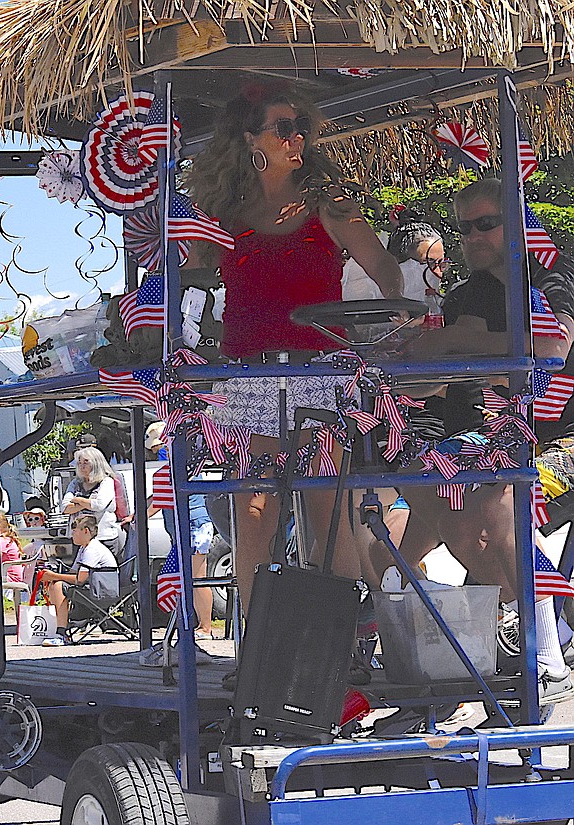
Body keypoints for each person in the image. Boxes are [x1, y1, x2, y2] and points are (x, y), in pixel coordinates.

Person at [187, 84, 403, 610]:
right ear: (250, 139)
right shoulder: (221, 216)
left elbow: (389, 275)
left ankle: (347, 644)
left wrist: (384, 328)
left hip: (319, 371)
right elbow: (189, 282)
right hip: (251, 376)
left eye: (299, 126)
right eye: (283, 127)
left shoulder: (330, 208)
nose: (296, 137)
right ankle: (261, 646)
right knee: (253, 510)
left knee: (327, 507)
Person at [394, 178, 574, 703]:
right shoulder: (464, 295)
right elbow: (439, 376)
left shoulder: (554, 277)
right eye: (464, 227)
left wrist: (460, 342)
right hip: (490, 440)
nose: (472, 237)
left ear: (516, 226)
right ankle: (419, 612)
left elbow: (553, 347)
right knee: (419, 481)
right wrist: (399, 361)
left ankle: (542, 649)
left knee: (498, 499)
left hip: (562, 443)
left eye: (485, 225)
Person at [145, 421, 215, 638]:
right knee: (190, 576)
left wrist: (140, 516)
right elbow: (158, 495)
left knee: (195, 577)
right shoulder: (182, 462)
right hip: (189, 524)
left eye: (159, 448)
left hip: (194, 523)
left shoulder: (178, 465)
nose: (158, 453)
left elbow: (161, 498)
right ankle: (199, 624)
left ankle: (205, 626)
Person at [39, 514, 118, 647]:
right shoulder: (84, 548)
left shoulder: (92, 549)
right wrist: (52, 577)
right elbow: (73, 573)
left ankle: (61, 633)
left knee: (58, 585)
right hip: (94, 587)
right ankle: (60, 627)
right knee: (55, 585)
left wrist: (54, 576)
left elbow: (79, 580)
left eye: (74, 531)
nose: (72, 535)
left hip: (102, 591)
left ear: (85, 531)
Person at [60, 447, 123, 553]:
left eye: (86, 462)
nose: (81, 466)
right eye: (79, 463)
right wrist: (88, 502)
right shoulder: (75, 484)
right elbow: (65, 508)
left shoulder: (106, 482)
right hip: (80, 540)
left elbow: (99, 505)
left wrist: (78, 500)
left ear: (96, 463)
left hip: (103, 538)